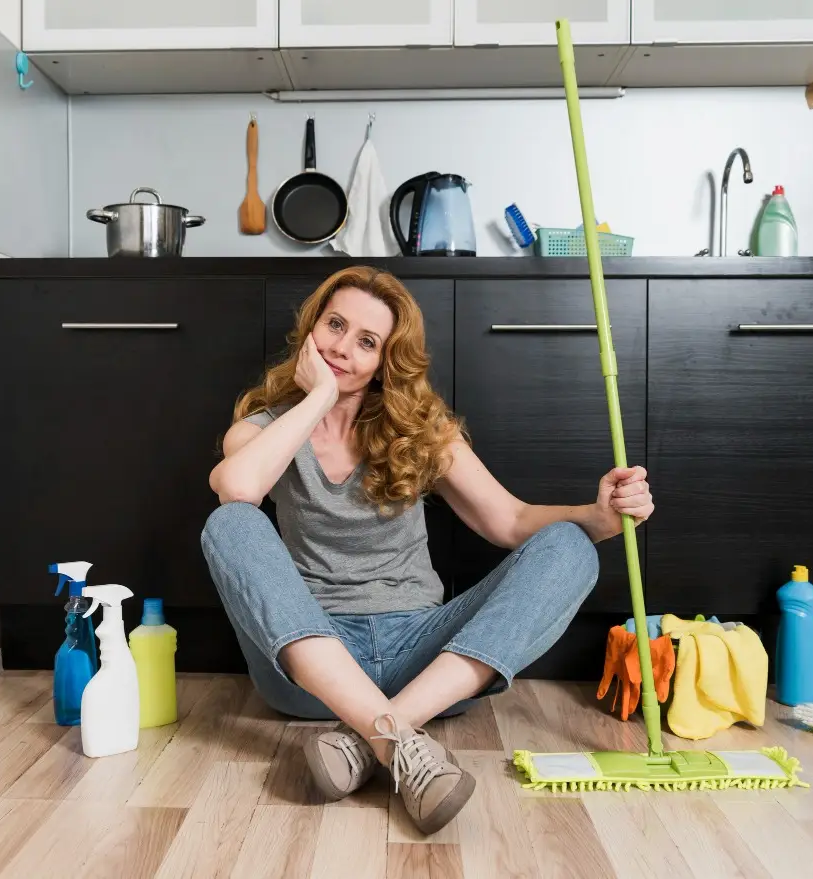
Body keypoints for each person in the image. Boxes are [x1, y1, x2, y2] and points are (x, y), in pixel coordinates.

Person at [201, 266, 654, 834]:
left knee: (571, 546)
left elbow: (510, 521)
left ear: (386, 359)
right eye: (335, 326)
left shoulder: (419, 431)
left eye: (366, 342)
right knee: (229, 523)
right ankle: (395, 738)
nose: (342, 349)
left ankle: (374, 736)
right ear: (311, 329)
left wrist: (599, 517)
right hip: (314, 667)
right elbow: (237, 491)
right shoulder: (264, 428)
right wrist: (318, 396)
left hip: (425, 662)